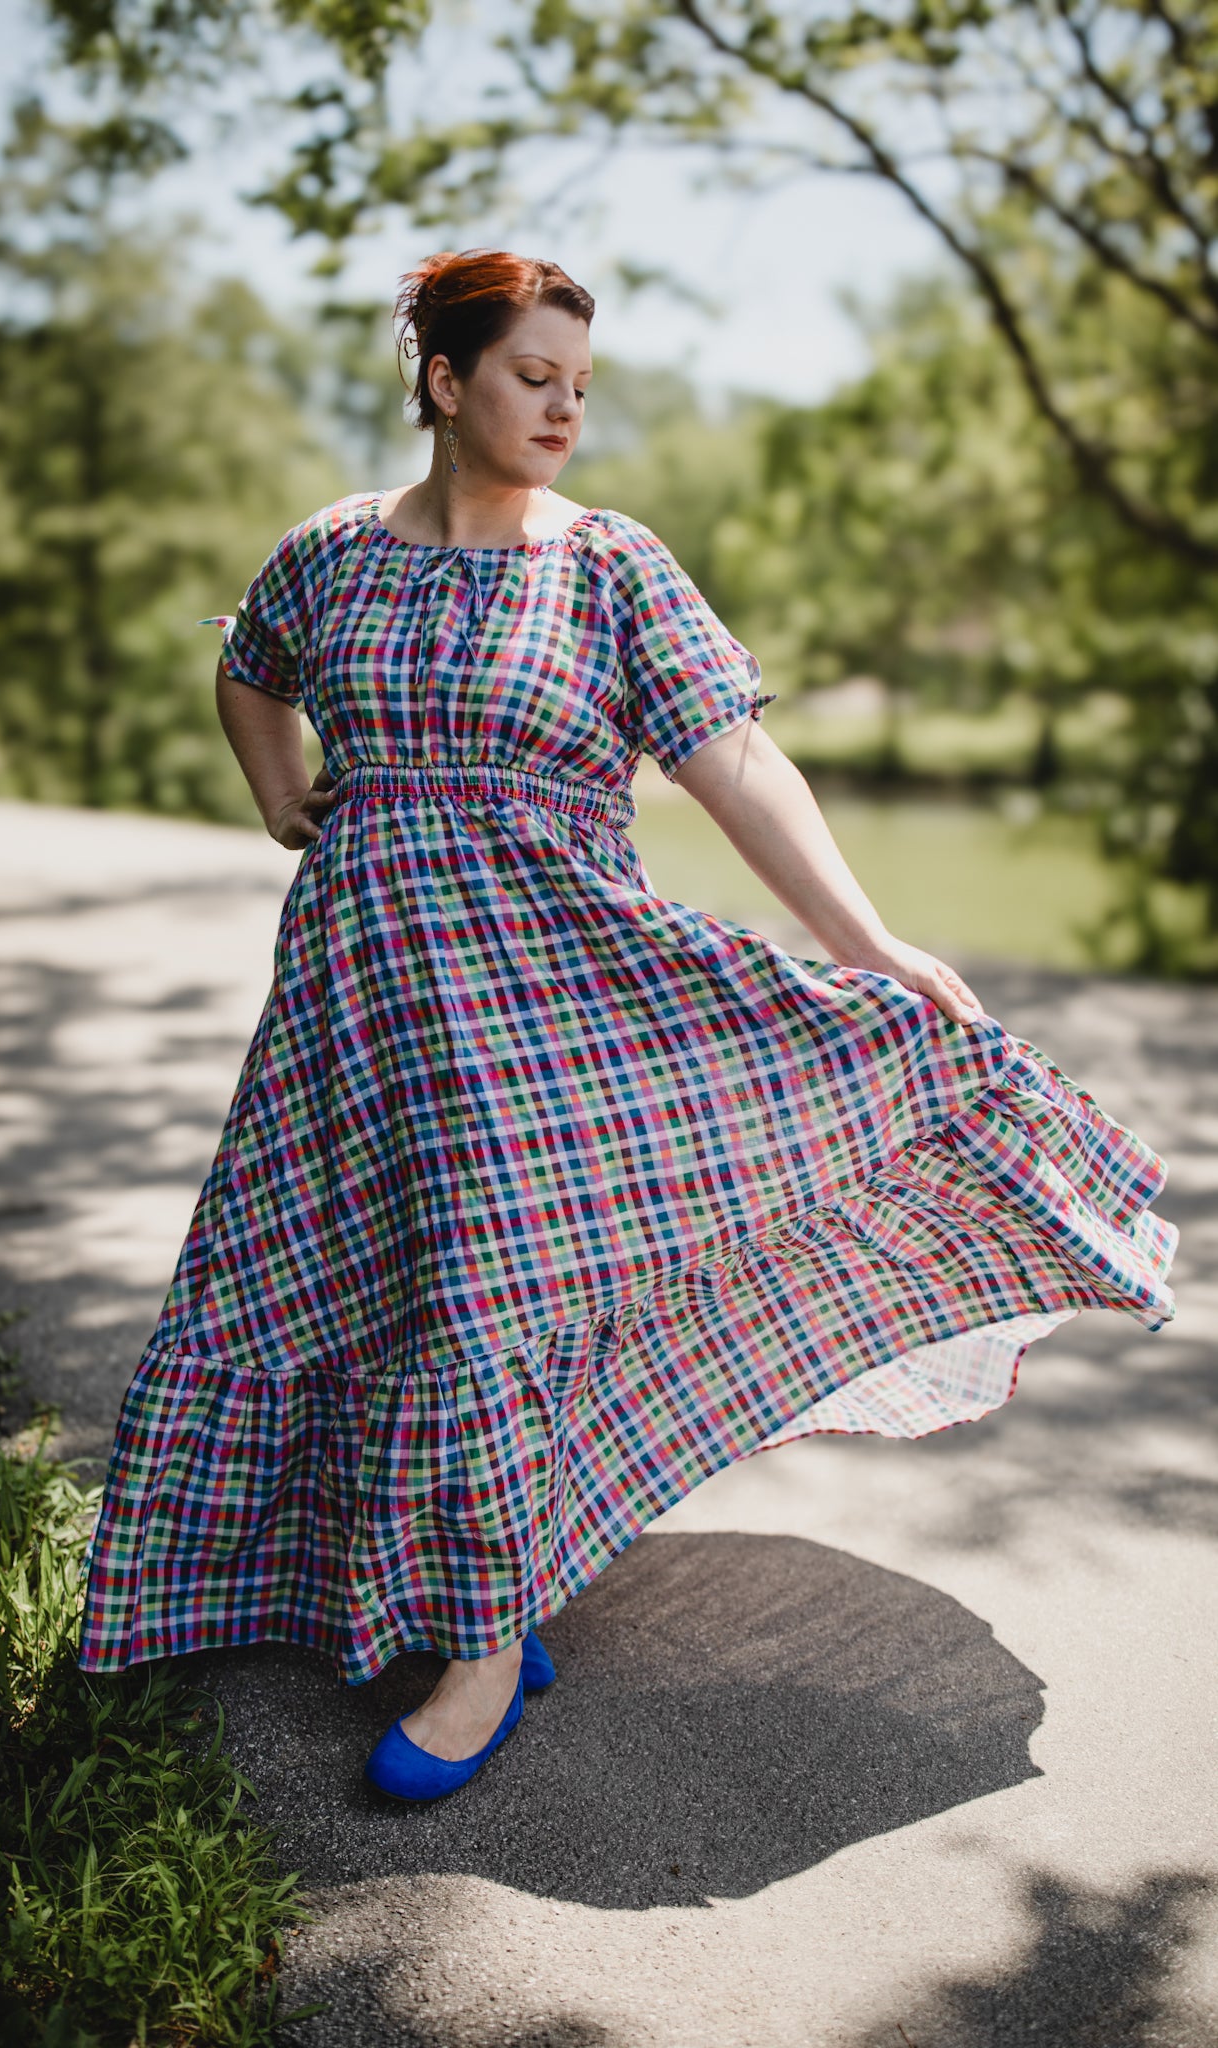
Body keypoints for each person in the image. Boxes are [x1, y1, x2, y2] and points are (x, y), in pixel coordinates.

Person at [76, 248, 1177, 1803]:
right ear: (446, 383)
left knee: (479, 1301)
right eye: (533, 378)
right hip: (353, 1003)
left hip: (549, 1007)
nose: (563, 412)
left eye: (581, 388)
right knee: (335, 1284)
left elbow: (732, 763)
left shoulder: (609, 566)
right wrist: (280, 797)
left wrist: (863, 941)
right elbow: (250, 670)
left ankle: (479, 1645)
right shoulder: (326, 553)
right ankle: (390, 1579)